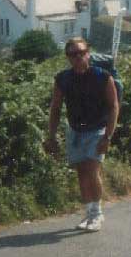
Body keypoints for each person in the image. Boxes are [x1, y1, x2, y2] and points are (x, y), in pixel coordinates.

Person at [43, 37, 119, 232]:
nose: (78, 57)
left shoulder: (103, 76)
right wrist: (51, 136)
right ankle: (89, 212)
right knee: (82, 173)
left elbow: (113, 107)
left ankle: (97, 214)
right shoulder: (62, 79)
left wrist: (107, 137)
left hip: (98, 129)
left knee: (92, 170)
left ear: (88, 53)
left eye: (81, 53)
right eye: (72, 54)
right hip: (75, 130)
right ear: (67, 57)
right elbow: (55, 108)